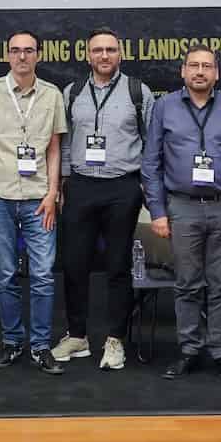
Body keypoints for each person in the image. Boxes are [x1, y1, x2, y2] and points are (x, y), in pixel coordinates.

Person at [142, 45, 221, 383]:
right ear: (183, 71)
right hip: (182, 206)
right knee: (186, 284)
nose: (200, 71)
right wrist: (158, 211)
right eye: (193, 65)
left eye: (206, 66)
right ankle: (189, 349)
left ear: (217, 73)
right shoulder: (164, 106)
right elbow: (151, 162)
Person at [53, 27, 154, 371]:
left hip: (122, 187)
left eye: (111, 49)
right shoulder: (72, 92)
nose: (104, 55)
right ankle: (77, 336)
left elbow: (150, 141)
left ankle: (115, 340)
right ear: (88, 55)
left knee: (118, 266)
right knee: (74, 264)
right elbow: (66, 140)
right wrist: (64, 181)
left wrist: (144, 186)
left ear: (120, 54)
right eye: (98, 50)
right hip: (81, 186)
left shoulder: (138, 92)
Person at [0, 30, 67, 375]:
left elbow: (54, 149)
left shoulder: (52, 94)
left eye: (28, 50)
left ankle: (40, 347)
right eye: (15, 50)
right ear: (7, 55)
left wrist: (52, 193)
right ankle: (12, 343)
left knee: (42, 275)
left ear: (38, 55)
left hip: (38, 199)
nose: (22, 56)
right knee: (7, 275)